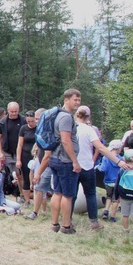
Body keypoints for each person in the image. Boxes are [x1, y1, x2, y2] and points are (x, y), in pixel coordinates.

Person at [47, 89, 83, 235]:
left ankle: (55, 224)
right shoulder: (66, 118)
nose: (78, 103)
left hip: (55, 159)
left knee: (57, 192)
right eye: (75, 100)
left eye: (79, 100)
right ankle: (66, 226)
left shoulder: (58, 115)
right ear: (66, 99)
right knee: (68, 195)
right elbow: (65, 140)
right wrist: (75, 161)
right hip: (65, 161)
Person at [112, 149, 133, 238]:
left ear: (124, 159)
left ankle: (126, 230)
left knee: (125, 214)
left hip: (124, 196)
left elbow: (117, 184)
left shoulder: (122, 170)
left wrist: (116, 196)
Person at [15, 111, 38, 206]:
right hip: (25, 155)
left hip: (36, 156)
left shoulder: (39, 128)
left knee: (37, 177)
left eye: (32, 121)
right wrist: (18, 159)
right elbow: (20, 145)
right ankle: (27, 200)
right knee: (26, 177)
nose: (30, 123)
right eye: (28, 121)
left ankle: (38, 200)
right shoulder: (23, 128)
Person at [99, 140, 124, 222]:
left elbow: (103, 169)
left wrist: (97, 167)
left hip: (107, 181)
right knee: (116, 199)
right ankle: (113, 217)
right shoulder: (121, 160)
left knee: (108, 197)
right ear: (119, 149)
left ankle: (106, 212)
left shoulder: (106, 158)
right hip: (118, 182)